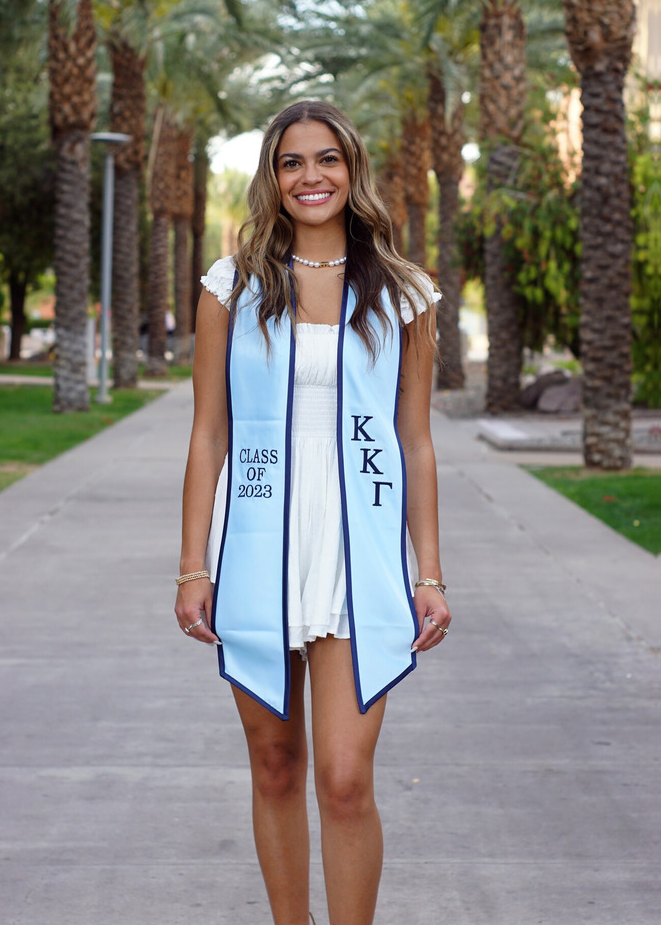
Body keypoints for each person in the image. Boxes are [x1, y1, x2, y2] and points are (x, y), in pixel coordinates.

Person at [175, 100, 450, 925]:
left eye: (326, 158)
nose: (311, 177)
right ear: (273, 177)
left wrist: (430, 575)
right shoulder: (232, 286)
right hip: (261, 546)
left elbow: (415, 443)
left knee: (344, 777)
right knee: (273, 766)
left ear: (352, 168)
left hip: (357, 551)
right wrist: (193, 567)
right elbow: (209, 433)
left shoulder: (403, 292)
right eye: (291, 162)